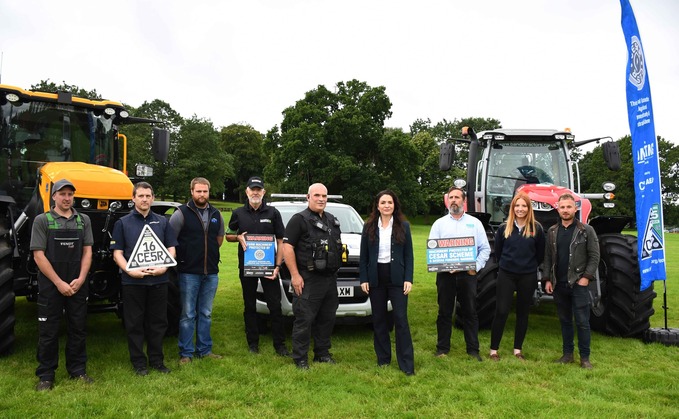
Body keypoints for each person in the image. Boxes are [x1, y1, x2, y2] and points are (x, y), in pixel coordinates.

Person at [30, 179, 94, 391]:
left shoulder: (83, 220)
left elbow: (87, 251)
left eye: (70, 194)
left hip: (77, 283)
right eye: (63, 194)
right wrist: (58, 283)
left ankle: (77, 370)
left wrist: (82, 278)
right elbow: (39, 256)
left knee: (78, 328)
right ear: (54, 196)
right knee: (48, 330)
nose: (67, 198)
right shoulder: (42, 220)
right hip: (51, 284)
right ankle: (46, 375)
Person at [111, 182, 178, 376]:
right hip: (133, 282)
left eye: (148, 196)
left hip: (159, 281)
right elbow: (117, 254)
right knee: (134, 323)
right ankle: (139, 363)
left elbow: (171, 248)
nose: (144, 199)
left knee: (158, 322)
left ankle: (157, 361)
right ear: (133, 199)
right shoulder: (122, 223)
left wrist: (164, 267)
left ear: (153, 197)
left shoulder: (163, 222)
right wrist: (129, 271)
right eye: (140, 196)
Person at [225, 176, 289, 356]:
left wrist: (277, 266)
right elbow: (228, 235)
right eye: (252, 189)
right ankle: (253, 343)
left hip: (269, 268)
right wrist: (237, 237)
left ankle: (280, 345)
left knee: (275, 306)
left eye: (258, 189)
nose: (255, 192)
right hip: (247, 267)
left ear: (263, 192)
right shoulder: (238, 213)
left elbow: (280, 240)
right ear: (246, 192)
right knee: (249, 306)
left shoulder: (273, 213)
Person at [282, 183, 343, 369]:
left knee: (327, 318)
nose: (321, 199)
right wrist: (295, 275)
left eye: (324, 196)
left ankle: (322, 354)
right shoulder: (299, 220)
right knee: (304, 319)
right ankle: (300, 358)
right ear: (308, 197)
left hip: (329, 279)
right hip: (307, 279)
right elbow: (287, 247)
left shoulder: (332, 220)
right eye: (316, 195)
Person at [428, 186, 490, 361]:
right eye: (451, 197)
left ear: (464, 201)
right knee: (444, 312)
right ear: (448, 201)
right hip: (445, 275)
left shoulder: (475, 223)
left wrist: (475, 266)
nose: (454, 200)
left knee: (470, 312)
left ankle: (473, 350)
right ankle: (442, 349)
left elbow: (484, 248)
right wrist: (442, 265)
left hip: (467, 275)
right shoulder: (439, 224)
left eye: (457, 197)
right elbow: (432, 249)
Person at [169, 177, 225, 364]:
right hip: (188, 272)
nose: (202, 195)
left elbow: (219, 239)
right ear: (191, 191)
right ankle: (186, 353)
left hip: (211, 272)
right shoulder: (181, 213)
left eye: (205, 191)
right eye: (198, 191)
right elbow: (170, 240)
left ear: (209, 192)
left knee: (206, 312)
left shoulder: (217, 213)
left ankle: (204, 349)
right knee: (187, 314)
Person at [359, 190, 415, 376]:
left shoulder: (403, 226)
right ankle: (383, 359)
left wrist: (408, 278)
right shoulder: (368, 227)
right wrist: (364, 278)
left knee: (400, 320)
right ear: (377, 205)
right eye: (383, 202)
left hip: (397, 278)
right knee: (379, 320)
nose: (386, 206)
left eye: (390, 202)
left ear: (394, 205)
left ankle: (406, 363)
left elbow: (409, 255)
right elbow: (364, 256)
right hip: (376, 278)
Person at [543, 193, 600, 369]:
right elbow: (547, 258)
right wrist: (547, 279)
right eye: (562, 207)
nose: (565, 210)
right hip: (559, 284)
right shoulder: (552, 231)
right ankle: (567, 355)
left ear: (575, 208)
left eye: (569, 207)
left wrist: (586, 278)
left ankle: (585, 358)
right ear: (557, 209)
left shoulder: (586, 230)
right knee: (565, 321)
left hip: (578, 283)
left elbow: (594, 256)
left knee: (582, 322)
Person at [489, 193, 545, 361]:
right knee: (502, 311)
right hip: (507, 274)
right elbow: (498, 252)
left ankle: (517, 350)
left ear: (529, 209)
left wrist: (528, 266)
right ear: (512, 208)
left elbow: (540, 254)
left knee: (523, 313)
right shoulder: (503, 228)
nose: (520, 209)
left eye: (524, 206)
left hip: (527, 276)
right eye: (517, 206)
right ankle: (493, 350)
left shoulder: (537, 228)